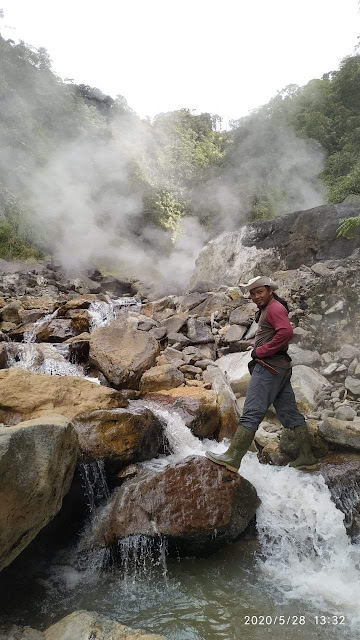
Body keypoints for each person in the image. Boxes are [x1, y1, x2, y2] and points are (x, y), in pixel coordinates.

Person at [205, 275, 318, 472]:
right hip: (280, 368)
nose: (256, 296)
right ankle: (307, 457)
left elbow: (286, 333)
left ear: (269, 291)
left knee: (252, 410)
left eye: (260, 292)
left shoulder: (274, 308)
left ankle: (233, 457)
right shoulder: (270, 307)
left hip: (269, 368)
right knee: (290, 413)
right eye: (252, 293)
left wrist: (260, 352)